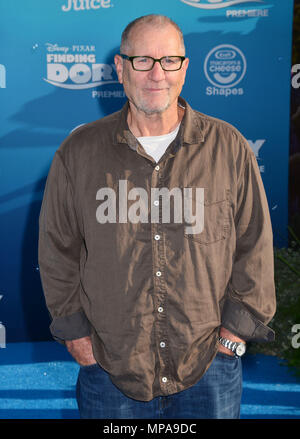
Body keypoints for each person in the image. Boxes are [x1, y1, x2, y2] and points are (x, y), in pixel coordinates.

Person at [38, 14, 276, 419]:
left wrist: (232, 339)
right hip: (110, 371)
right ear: (120, 68)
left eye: (168, 61)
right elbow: (57, 250)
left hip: (209, 369)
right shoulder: (79, 152)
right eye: (142, 61)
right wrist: (76, 336)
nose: (156, 74)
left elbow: (254, 246)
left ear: (184, 68)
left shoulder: (229, 147)